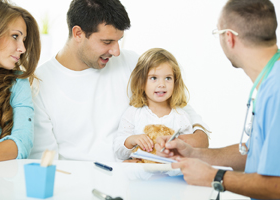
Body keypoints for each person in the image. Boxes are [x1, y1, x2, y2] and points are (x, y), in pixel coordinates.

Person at [29, 0, 209, 162]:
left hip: (137, 180)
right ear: (78, 33)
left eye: (119, 41)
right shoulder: (40, 84)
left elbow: (180, 108)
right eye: (107, 42)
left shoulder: (131, 63)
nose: (116, 51)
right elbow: (45, 161)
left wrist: (198, 134)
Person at [156, 0, 280, 199]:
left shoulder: (276, 90)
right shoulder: (270, 81)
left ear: (229, 37)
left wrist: (214, 176)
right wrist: (194, 154)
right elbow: (255, 153)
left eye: (218, 33)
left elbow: (277, 186)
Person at [114, 48, 210, 160]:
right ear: (141, 82)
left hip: (170, 174)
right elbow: (118, 152)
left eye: (168, 78)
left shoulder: (181, 116)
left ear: (175, 82)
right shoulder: (133, 113)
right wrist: (132, 140)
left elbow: (188, 153)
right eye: (154, 78)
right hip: (140, 174)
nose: (162, 84)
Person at [0, 0, 40, 162]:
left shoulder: (17, 83)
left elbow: (22, 143)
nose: (23, 48)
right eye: (15, 36)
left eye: (23, 39)